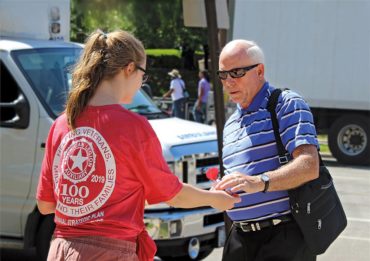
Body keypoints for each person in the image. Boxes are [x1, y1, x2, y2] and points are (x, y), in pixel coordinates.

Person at [36, 30, 240, 261]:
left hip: (61, 251)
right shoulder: (133, 126)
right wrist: (215, 198)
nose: (141, 83)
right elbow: (173, 195)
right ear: (130, 68)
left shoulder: (62, 123)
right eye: (143, 75)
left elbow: (45, 204)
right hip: (111, 253)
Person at [214, 39, 320, 261]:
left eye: (237, 73)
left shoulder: (286, 104)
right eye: (223, 75)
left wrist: (258, 182)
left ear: (259, 71)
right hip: (239, 238)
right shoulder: (231, 123)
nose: (228, 82)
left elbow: (309, 165)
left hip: (282, 237)